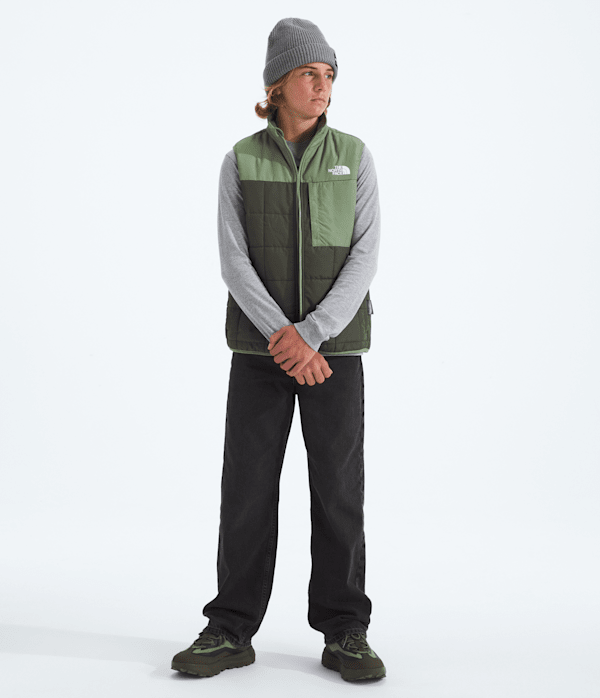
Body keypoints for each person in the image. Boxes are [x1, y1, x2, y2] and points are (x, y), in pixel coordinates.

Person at [171, 17, 385, 682]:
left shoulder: (354, 155)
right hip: (260, 355)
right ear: (277, 84)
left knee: (338, 491)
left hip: (334, 354)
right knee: (247, 488)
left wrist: (311, 334)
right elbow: (233, 261)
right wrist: (282, 337)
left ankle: (346, 631)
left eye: (329, 75)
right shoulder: (241, 159)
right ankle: (229, 628)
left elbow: (365, 255)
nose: (323, 86)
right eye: (309, 74)